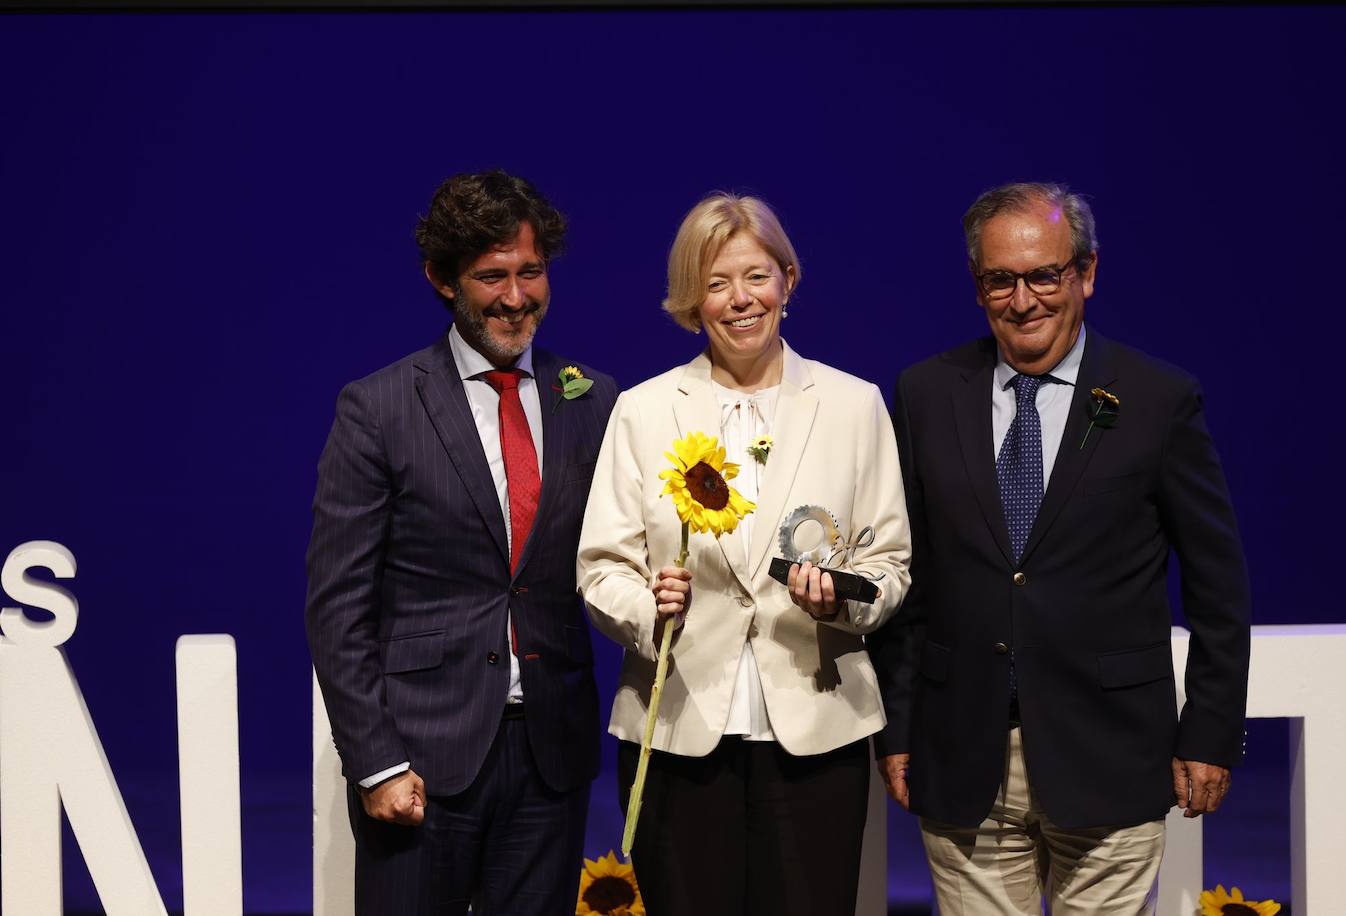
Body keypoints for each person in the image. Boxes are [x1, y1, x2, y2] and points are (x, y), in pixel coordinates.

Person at [870, 181, 1251, 914]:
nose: (1023, 300)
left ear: (1087, 273)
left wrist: (1208, 731)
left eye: (1044, 275)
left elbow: (1219, 585)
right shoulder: (925, 394)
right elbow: (908, 578)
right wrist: (899, 724)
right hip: (962, 752)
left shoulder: (1157, 399)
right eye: (1000, 280)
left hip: (1112, 753)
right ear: (976, 287)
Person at [576, 193, 911, 916]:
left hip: (817, 724)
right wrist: (648, 608)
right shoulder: (643, 409)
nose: (739, 300)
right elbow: (600, 565)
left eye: (756, 276)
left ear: (788, 280)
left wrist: (844, 597)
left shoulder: (855, 405)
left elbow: (890, 563)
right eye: (716, 284)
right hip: (677, 726)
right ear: (691, 302)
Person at [305, 170, 617, 915]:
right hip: (420, 760)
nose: (516, 297)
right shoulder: (379, 407)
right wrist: (375, 761)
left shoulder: (593, 397)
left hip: (551, 755)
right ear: (442, 280)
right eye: (491, 276)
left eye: (531, 272)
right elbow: (337, 607)